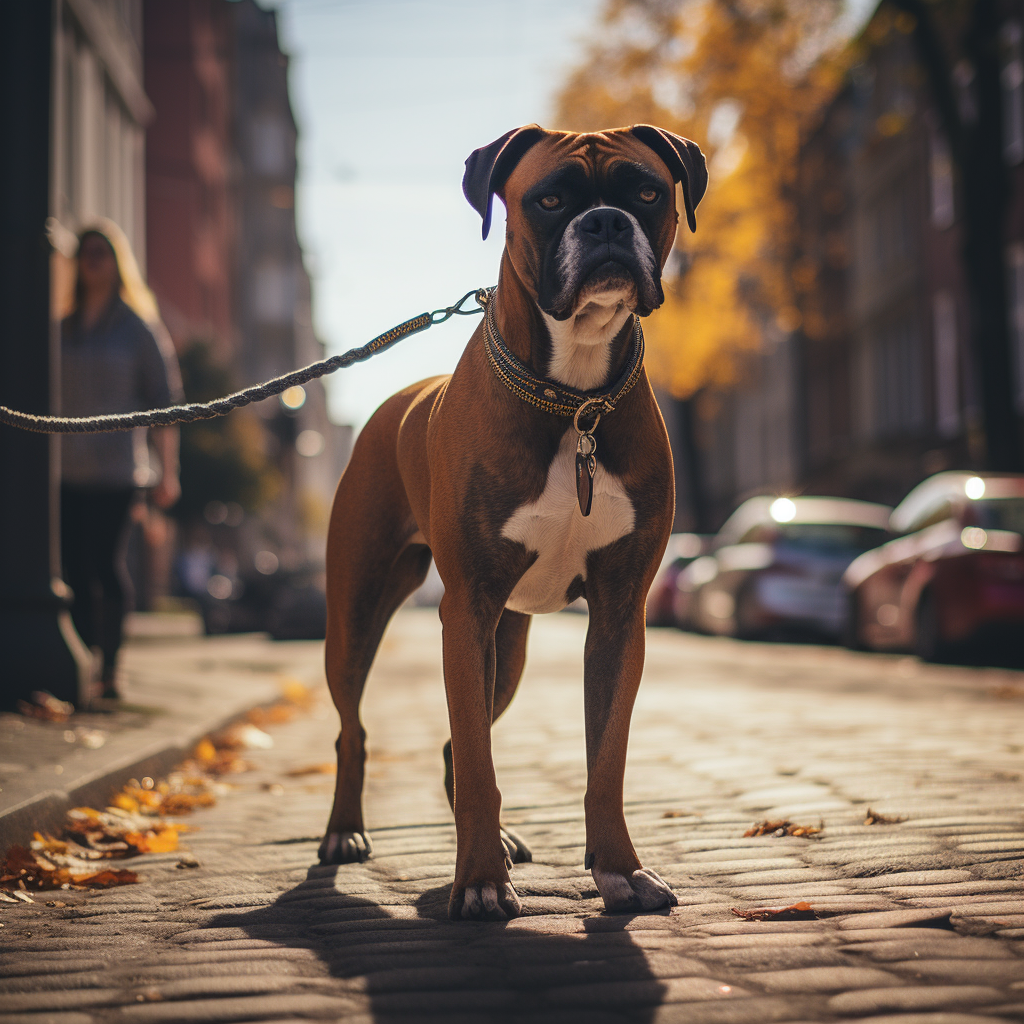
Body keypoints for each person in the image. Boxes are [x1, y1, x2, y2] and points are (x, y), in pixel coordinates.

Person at [60, 220, 183, 699]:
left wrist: (167, 472)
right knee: (72, 571)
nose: (92, 259)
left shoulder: (137, 329)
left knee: (105, 566)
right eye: (85, 252)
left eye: (101, 252)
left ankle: (109, 668)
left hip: (116, 472)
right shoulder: (61, 327)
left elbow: (166, 403)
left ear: (116, 262)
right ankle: (82, 657)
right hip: (64, 470)